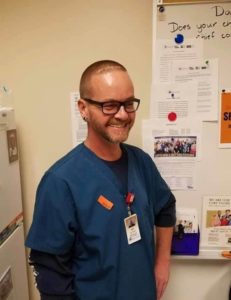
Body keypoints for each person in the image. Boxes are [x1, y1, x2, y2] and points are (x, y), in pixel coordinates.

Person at [25, 60, 176, 300]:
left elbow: (166, 206)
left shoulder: (142, 162)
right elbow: (51, 274)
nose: (123, 114)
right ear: (83, 108)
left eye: (129, 104)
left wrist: (163, 263)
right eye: (110, 105)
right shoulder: (60, 181)